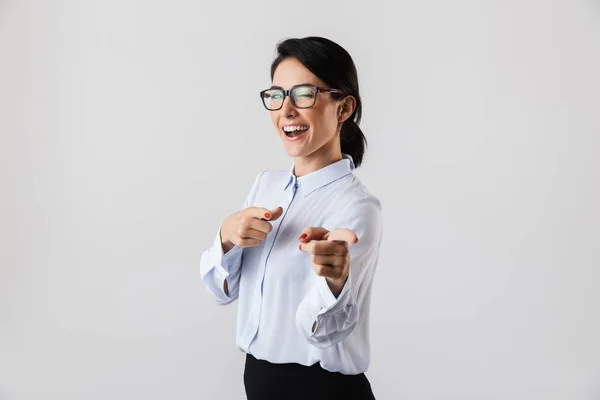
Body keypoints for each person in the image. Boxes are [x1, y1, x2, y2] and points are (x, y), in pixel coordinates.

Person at [199, 36, 382, 400]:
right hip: (259, 382)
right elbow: (222, 291)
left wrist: (335, 280)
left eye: (303, 95)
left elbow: (323, 333)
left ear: (343, 108)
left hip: (321, 391)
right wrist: (226, 238)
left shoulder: (356, 208)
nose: (286, 110)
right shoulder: (265, 186)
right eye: (277, 95)